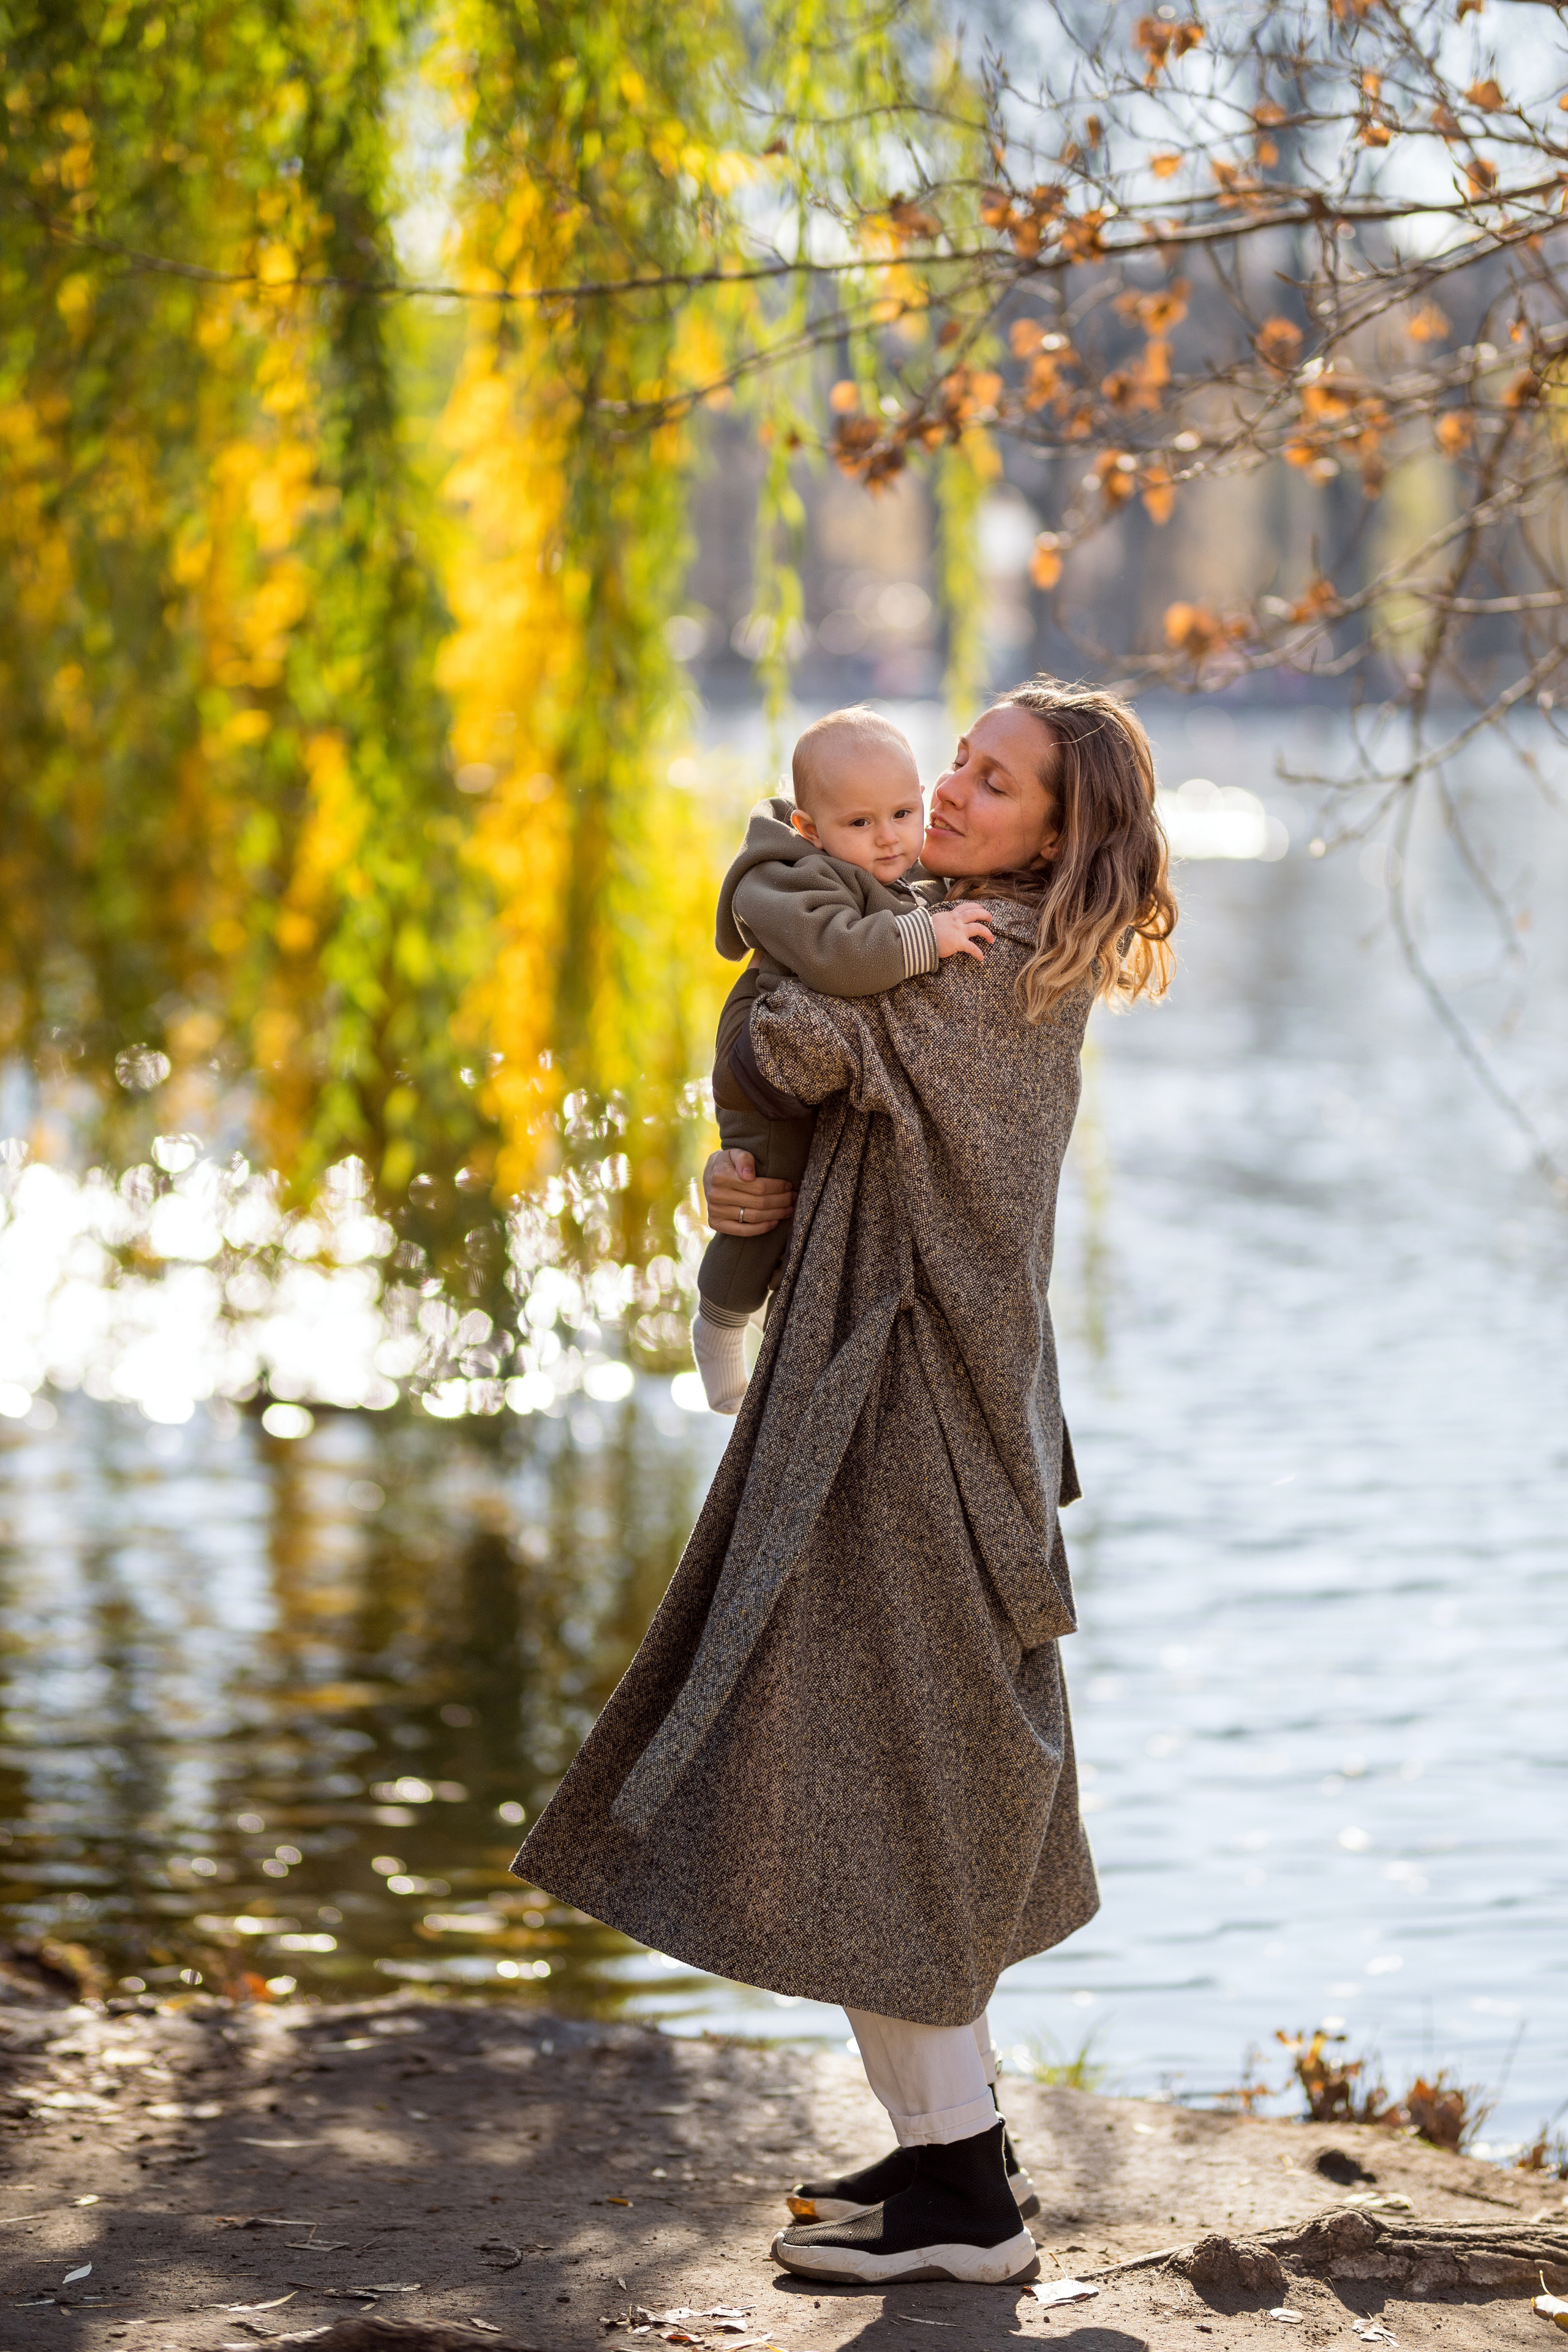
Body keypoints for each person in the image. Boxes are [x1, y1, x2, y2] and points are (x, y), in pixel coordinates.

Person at [514, 680, 1176, 2288]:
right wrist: (750, 1188)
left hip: (915, 1437)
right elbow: (813, 1086)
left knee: (893, 1815)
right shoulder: (935, 927)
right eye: (963, 757)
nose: (954, 790)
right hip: (872, 1416)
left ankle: (970, 2206)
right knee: (877, 1796)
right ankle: (949, 2162)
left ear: (1059, 836)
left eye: (997, 783)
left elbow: (788, 1028)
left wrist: (784, 908)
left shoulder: (992, 971)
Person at [692, 703, 992, 1414]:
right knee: (761, 1196)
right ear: (808, 829)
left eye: (901, 812)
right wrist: (929, 937)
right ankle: (721, 1321)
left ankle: (768, 1317)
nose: (888, 839)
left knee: (788, 1200)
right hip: (756, 1058)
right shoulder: (789, 880)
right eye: (860, 823)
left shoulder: (884, 861)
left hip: (796, 1061)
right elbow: (841, 959)